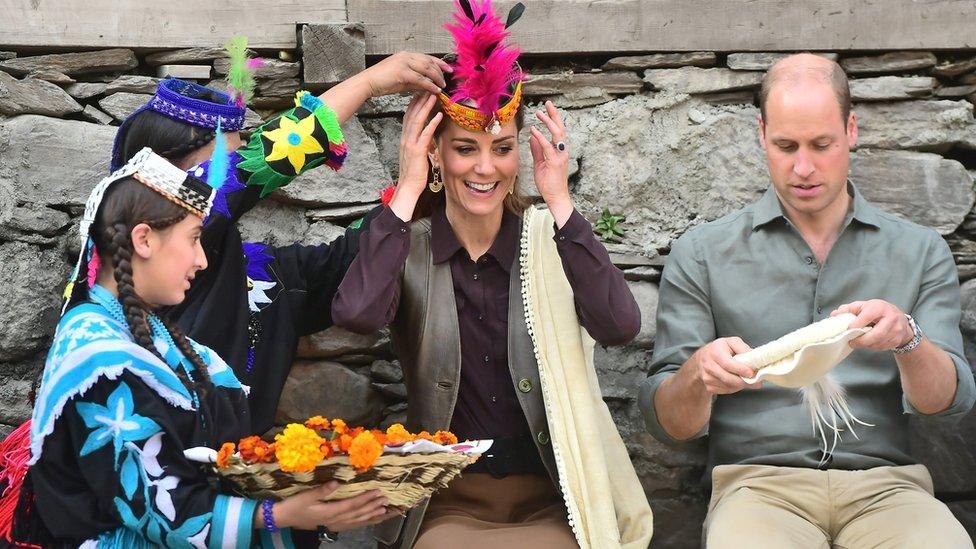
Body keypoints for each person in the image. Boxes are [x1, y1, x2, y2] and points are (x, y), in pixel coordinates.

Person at [331, 1, 654, 547]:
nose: (485, 168)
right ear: (435, 153)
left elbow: (620, 325)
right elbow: (357, 316)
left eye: (502, 149)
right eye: (465, 149)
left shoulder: (549, 241)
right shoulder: (407, 245)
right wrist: (407, 189)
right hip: (444, 501)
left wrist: (560, 201)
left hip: (553, 498)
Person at [639, 53, 975, 548]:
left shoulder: (919, 250)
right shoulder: (703, 253)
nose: (803, 167)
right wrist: (698, 375)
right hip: (758, 488)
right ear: (761, 135)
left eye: (822, 145)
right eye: (785, 145)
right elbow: (669, 426)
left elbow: (948, 404)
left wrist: (908, 339)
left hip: (886, 489)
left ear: (852, 130)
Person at [11, 149, 395, 548]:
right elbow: (159, 507)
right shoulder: (101, 360)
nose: (201, 260)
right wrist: (279, 514)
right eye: (194, 239)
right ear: (143, 239)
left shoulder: (142, 331)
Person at [111, 48, 452, 435]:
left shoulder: (262, 276)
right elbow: (260, 160)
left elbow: (349, 258)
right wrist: (369, 82)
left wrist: (420, 187)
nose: (227, 181)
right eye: (217, 169)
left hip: (231, 487)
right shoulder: (127, 255)